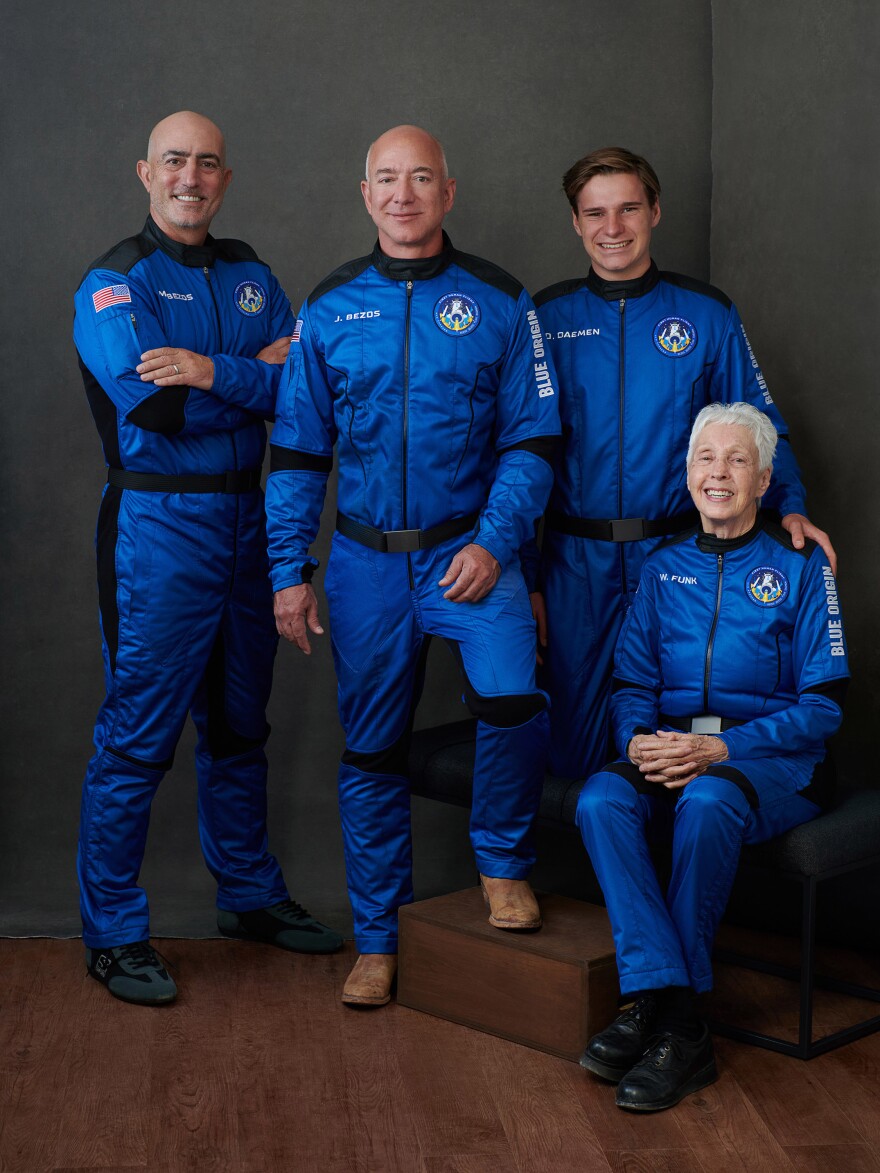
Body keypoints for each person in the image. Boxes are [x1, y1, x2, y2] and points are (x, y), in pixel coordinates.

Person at [265, 125, 561, 1006]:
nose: (403, 194)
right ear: (365, 195)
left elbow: (534, 441)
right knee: (372, 750)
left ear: (448, 191)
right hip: (364, 565)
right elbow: (295, 453)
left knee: (513, 699)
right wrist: (290, 569)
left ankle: (503, 862)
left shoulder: (501, 302)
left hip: (471, 552)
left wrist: (493, 542)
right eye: (387, 180)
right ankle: (379, 938)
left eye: (420, 178)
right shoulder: (328, 307)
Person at [74, 110, 342, 1006]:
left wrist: (209, 367)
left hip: (250, 526)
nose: (192, 177)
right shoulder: (115, 282)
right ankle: (112, 932)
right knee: (137, 737)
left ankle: (250, 895)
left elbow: (304, 394)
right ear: (144, 170)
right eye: (175, 161)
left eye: (209, 163)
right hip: (160, 532)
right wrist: (247, 377)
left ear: (226, 177)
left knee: (239, 727)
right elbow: (159, 413)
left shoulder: (255, 275)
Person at [530, 147, 836, 781]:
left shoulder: (704, 313)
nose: (612, 228)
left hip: (676, 552)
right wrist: (526, 574)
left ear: (656, 211)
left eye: (629, 209)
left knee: (675, 729)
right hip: (571, 565)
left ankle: (683, 874)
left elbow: (761, 428)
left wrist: (794, 506)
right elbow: (520, 451)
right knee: (577, 737)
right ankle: (595, 879)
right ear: (575, 223)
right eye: (595, 213)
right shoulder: (547, 317)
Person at [576, 402, 848, 1111]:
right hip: (676, 748)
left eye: (736, 461)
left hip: (774, 762)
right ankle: (662, 999)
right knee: (601, 798)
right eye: (706, 458)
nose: (718, 473)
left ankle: (674, 1020)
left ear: (763, 480)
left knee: (707, 797)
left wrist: (722, 746)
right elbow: (633, 683)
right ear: (688, 473)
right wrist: (638, 740)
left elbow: (823, 707)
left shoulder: (800, 570)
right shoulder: (662, 571)